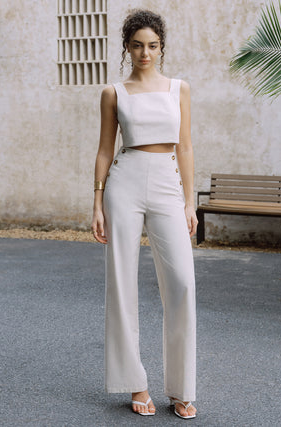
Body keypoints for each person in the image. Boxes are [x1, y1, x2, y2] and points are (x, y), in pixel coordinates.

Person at [91, 9, 198, 420]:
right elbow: (104, 149)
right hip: (125, 182)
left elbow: (185, 146)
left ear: (162, 47)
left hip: (169, 184)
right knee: (122, 283)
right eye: (137, 45)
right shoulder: (113, 92)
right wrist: (97, 201)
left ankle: (182, 387)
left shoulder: (179, 89)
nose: (145, 53)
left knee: (183, 284)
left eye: (152, 45)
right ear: (126, 47)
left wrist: (189, 202)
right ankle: (135, 382)